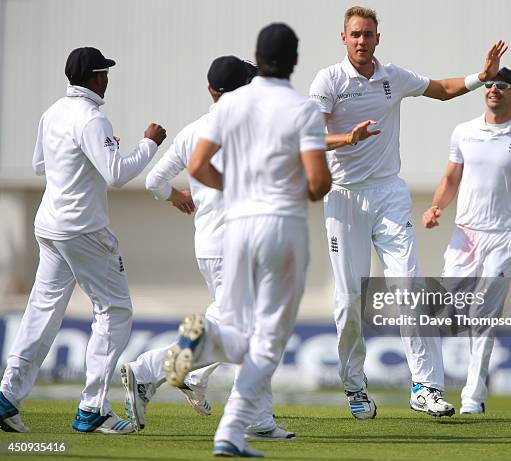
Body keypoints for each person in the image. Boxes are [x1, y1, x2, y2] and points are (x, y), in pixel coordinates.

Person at [308, 5, 508, 419]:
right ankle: (354, 383)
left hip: (388, 194)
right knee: (348, 302)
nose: (362, 41)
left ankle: (426, 386)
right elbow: (312, 137)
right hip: (344, 198)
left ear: (378, 38)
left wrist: (481, 76)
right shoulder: (327, 80)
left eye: (369, 34)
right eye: (355, 34)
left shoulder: (392, 76)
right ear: (343, 38)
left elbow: (441, 88)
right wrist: (348, 137)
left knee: (410, 290)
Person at [163, 23, 331, 458]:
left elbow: (198, 166)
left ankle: (227, 425)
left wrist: (236, 188)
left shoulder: (229, 105)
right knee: (270, 337)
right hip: (282, 227)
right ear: (294, 61)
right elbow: (317, 183)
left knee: (240, 331)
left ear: (259, 54)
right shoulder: (302, 109)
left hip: (235, 227)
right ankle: (231, 426)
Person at [121, 56, 296, 441]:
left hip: (208, 245)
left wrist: (177, 197)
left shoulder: (192, 131)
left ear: (209, 90)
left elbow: (153, 180)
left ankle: (227, 400)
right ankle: (150, 370)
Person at [0, 47, 166, 434]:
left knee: (42, 310)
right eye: (104, 72)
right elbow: (117, 175)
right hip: (83, 230)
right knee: (115, 311)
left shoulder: (53, 112)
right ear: (95, 78)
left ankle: (7, 396)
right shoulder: (93, 119)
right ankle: (92, 409)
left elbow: (41, 165)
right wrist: (150, 144)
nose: (107, 78)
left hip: (50, 226)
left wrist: (92, 154)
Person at [422, 67, 511, 414]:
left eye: (503, 86)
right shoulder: (464, 132)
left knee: (483, 313)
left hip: (504, 236)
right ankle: (429, 387)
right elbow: (451, 177)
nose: (494, 89)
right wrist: (436, 207)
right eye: (490, 84)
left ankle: (473, 397)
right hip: (464, 234)